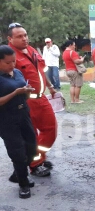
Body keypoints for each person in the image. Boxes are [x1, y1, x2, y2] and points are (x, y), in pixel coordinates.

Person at [8, 22, 57, 177]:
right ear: (10, 39)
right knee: (30, 135)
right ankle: (35, 164)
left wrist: (50, 86)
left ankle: (38, 157)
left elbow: (40, 71)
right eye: (19, 36)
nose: (24, 39)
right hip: (24, 101)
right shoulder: (8, 56)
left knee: (51, 130)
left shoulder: (32, 50)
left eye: (25, 35)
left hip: (41, 98)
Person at [0, 45, 37, 198]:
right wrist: (15, 92)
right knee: (17, 151)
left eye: (14, 61)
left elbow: (24, 93)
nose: (12, 65)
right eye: (8, 62)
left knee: (32, 146)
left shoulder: (17, 73)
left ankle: (18, 173)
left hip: (23, 114)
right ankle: (23, 183)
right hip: (6, 119)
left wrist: (27, 92)